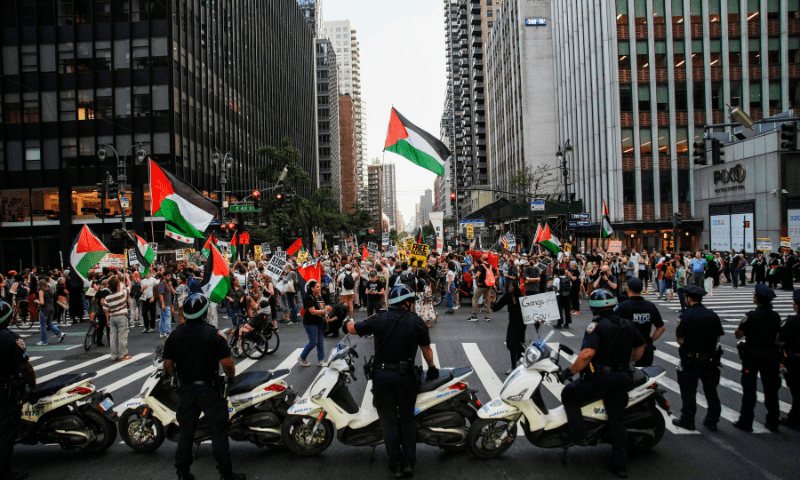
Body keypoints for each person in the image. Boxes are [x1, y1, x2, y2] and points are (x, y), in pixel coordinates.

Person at [343, 284, 437, 479]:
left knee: (389, 422)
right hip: (406, 378)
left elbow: (353, 329)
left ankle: (395, 465)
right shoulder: (416, 321)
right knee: (408, 419)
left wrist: (345, 321)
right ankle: (409, 464)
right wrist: (433, 367)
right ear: (408, 303)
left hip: (382, 377)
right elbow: (426, 349)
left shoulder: (378, 319)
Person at [559, 289, 645, 479]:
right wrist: (630, 362)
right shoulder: (627, 324)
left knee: (568, 394)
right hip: (622, 378)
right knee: (617, 420)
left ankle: (578, 434)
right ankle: (620, 466)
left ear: (593, 307)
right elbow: (641, 346)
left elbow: (587, 354)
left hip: (600, 380)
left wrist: (568, 372)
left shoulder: (596, 326)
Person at [162, 294, 245, 480]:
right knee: (218, 434)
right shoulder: (214, 335)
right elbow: (228, 364)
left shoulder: (175, 335)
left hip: (187, 390)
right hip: (210, 389)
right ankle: (226, 475)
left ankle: (182, 474)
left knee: (186, 435)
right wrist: (230, 379)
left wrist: (176, 377)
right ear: (205, 312)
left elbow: (168, 365)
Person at [672, 284, 724, 432]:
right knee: (711, 390)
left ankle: (688, 420)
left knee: (689, 390)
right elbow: (717, 338)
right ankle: (712, 420)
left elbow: (679, 339)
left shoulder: (686, 315)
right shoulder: (712, 315)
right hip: (709, 359)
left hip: (691, 358)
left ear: (689, 298)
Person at [733, 284, 782, 432]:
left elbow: (738, 334)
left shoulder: (751, 316)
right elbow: (778, 337)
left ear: (756, 299)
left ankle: (746, 421)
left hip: (753, 355)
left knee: (749, 390)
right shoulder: (776, 316)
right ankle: (773, 422)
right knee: (771, 390)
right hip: (771, 356)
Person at [0, 301, 37, 480]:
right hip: (6, 393)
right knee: (6, 433)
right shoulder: (12, 339)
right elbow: (26, 367)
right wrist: (34, 387)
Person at [614, 278, 665, 367]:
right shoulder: (650, 306)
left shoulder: (622, 307)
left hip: (627, 348)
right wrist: (649, 340)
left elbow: (612, 326)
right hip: (645, 348)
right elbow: (661, 328)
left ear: (628, 289)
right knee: (645, 376)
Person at [492, 280, 527, 374]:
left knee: (513, 345)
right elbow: (497, 307)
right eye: (509, 286)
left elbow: (530, 311)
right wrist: (490, 303)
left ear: (515, 288)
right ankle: (522, 352)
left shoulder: (521, 298)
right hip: (512, 323)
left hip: (521, 324)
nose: (510, 287)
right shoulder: (506, 297)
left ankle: (513, 366)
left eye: (512, 286)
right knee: (509, 344)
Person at [778, 289, 800, 430]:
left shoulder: (791, 321)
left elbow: (780, 342)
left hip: (795, 360)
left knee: (797, 390)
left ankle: (795, 418)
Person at [297, 280, 332, 367]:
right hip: (310, 323)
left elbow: (322, 307)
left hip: (319, 322)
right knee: (313, 342)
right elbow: (312, 311)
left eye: (319, 286)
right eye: (317, 287)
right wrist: (324, 312)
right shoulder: (309, 297)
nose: (319, 288)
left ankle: (321, 360)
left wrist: (326, 314)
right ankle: (302, 357)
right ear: (312, 288)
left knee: (320, 342)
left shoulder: (319, 296)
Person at [34, 279, 65, 346]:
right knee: (49, 323)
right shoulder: (49, 291)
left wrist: (36, 301)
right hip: (51, 308)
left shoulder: (41, 291)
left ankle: (44, 341)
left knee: (43, 325)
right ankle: (59, 333)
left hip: (44, 309)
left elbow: (42, 302)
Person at [469, 256, 493, 322]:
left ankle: (474, 316)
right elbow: (497, 273)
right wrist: (492, 280)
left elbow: (477, 275)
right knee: (488, 300)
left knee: (474, 299)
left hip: (482, 285)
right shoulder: (490, 266)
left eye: (481, 257)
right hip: (489, 285)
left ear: (483, 259)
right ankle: (487, 316)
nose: (480, 258)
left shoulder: (481, 266)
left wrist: (475, 279)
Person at [158, 271, 175, 338]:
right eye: (168, 276)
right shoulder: (162, 283)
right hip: (165, 303)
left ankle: (162, 332)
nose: (169, 277)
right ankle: (168, 333)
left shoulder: (167, 283)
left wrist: (170, 285)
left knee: (163, 318)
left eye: (170, 276)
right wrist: (163, 304)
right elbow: (160, 294)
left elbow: (173, 293)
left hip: (166, 303)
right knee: (167, 318)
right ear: (164, 276)